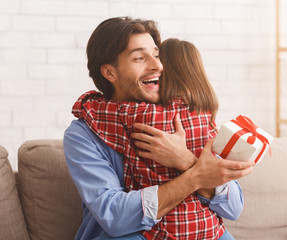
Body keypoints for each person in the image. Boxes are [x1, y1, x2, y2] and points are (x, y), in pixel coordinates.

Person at [63, 17, 255, 240]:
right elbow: (115, 216)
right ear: (109, 73)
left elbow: (233, 208)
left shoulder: (184, 117)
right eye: (139, 58)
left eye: (156, 55)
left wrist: (184, 159)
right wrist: (195, 177)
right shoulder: (84, 134)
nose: (157, 66)